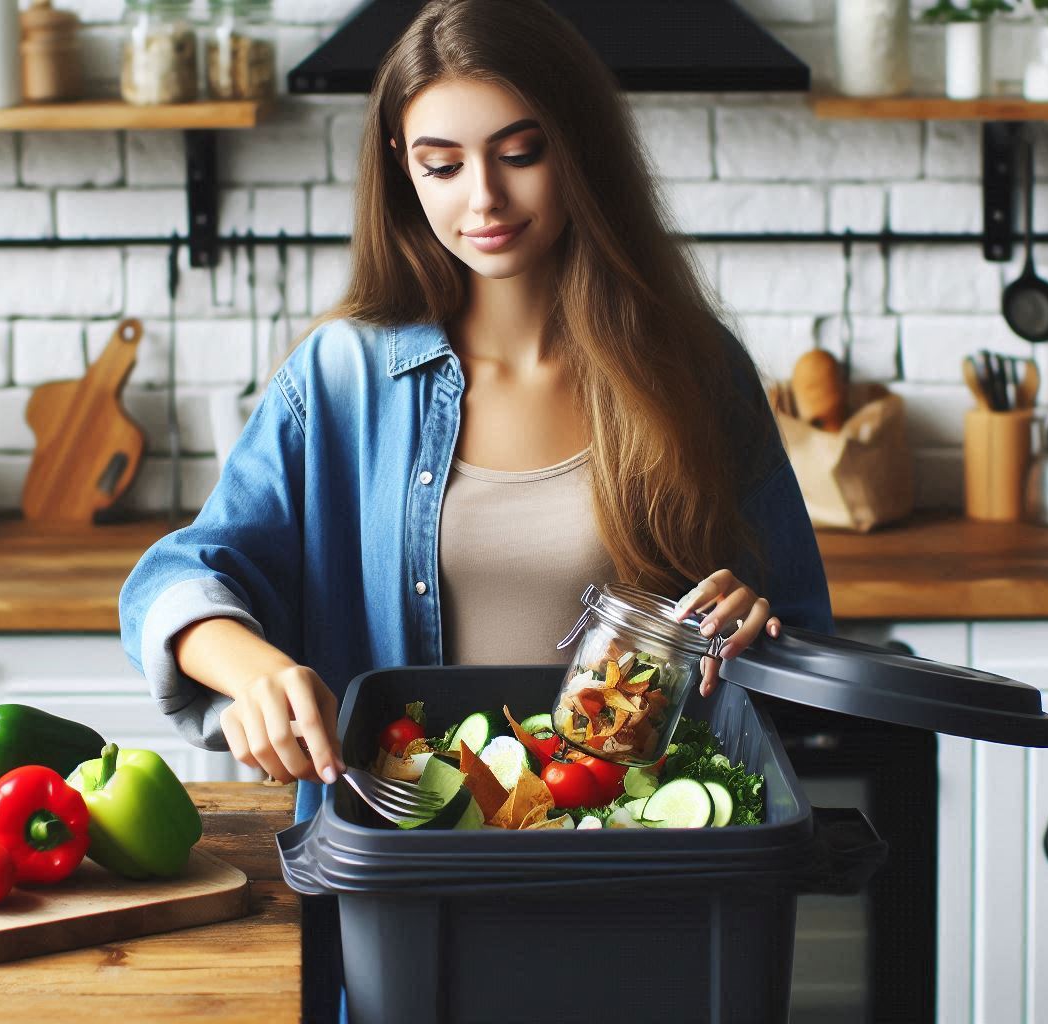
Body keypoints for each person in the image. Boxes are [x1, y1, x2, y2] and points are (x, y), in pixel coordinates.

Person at [118, 0, 830, 1014]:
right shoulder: (343, 377)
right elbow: (179, 579)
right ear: (401, 173)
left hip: (644, 892)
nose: (482, 197)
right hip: (411, 899)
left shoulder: (693, 372)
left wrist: (761, 633)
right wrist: (257, 670)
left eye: (520, 151)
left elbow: (801, 640)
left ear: (580, 150)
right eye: (440, 163)